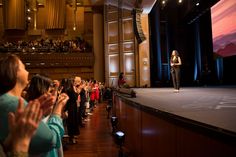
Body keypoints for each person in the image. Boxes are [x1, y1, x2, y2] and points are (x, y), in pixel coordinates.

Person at [0, 54, 69, 157]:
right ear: (14, 72)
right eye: (23, 67)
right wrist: (57, 110)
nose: (28, 71)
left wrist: (39, 114)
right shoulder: (14, 103)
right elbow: (50, 140)